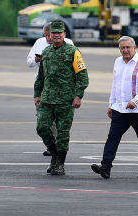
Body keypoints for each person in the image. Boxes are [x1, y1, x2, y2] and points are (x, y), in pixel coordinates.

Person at [91, 36, 138, 179]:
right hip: (120, 109)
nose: (125, 50)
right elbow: (115, 85)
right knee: (113, 137)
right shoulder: (118, 62)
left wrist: (135, 101)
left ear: (134, 48)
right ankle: (105, 166)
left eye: (128, 47)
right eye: (122, 48)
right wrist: (111, 105)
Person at [34, 21, 89, 175]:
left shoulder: (73, 51)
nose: (56, 35)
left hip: (66, 100)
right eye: (54, 33)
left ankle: (59, 164)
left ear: (65, 34)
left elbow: (83, 76)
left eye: (60, 32)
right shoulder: (45, 52)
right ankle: (55, 154)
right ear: (49, 35)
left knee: (63, 133)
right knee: (42, 127)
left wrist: (78, 96)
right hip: (47, 99)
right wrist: (37, 94)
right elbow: (41, 77)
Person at [27, 22, 74, 156]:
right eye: (47, 35)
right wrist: (36, 60)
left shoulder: (70, 45)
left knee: (60, 120)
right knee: (43, 121)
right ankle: (52, 145)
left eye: (52, 34)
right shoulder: (41, 45)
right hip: (45, 88)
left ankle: (58, 149)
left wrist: (77, 92)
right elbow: (29, 63)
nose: (49, 38)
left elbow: (77, 67)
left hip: (63, 88)